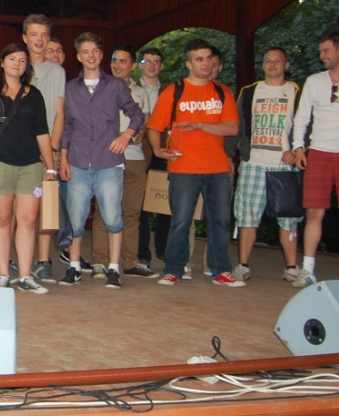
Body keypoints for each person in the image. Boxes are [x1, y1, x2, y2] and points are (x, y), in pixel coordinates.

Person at [147, 38, 243, 287]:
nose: (206, 63)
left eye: (209, 58)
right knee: (181, 221)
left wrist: (200, 125)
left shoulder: (222, 91)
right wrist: (157, 150)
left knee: (220, 222)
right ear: (189, 64)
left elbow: (232, 128)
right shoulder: (174, 91)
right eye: (199, 59)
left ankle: (221, 270)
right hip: (184, 169)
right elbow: (155, 127)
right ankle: (174, 270)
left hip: (218, 169)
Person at [58, 33, 144, 290]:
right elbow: (67, 126)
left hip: (109, 161)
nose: (91, 56)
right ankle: (74, 267)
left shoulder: (116, 86)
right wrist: (63, 158)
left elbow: (136, 114)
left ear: (101, 55)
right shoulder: (70, 88)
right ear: (78, 57)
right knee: (76, 219)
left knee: (113, 218)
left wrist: (126, 135)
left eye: (95, 51)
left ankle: (114, 269)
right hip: (77, 161)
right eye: (85, 51)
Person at [0, 43, 55, 293]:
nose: (18, 64)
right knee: (2, 219)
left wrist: (50, 169)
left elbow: (42, 133)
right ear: (2, 63)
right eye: (13, 59)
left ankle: (25, 276)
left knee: (28, 221)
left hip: (30, 167)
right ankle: (4, 274)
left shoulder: (34, 95)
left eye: (22, 60)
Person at [289, 30, 339, 286]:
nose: (322, 56)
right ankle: (308, 270)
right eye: (321, 51)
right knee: (313, 213)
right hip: (318, 153)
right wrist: (298, 147)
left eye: (326, 50)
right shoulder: (314, 81)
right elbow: (301, 116)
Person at [232, 47, 302, 282]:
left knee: (289, 218)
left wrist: (298, 150)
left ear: (286, 65)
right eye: (268, 61)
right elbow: (238, 126)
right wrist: (231, 156)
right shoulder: (249, 92)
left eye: (278, 61)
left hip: (284, 165)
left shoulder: (297, 91)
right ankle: (243, 265)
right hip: (254, 163)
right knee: (246, 216)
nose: (272, 65)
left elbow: (307, 125)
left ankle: (291, 267)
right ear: (262, 65)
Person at [89, 46, 157, 279]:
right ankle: (99, 262)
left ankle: (129, 262)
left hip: (135, 159)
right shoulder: (98, 88)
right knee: (103, 213)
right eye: (114, 60)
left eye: (123, 61)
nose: (117, 65)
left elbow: (145, 122)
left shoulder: (140, 92)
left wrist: (141, 134)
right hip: (107, 158)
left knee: (132, 213)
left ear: (133, 66)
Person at [22, 14, 68, 282]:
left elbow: (60, 113)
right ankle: (15, 261)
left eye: (44, 35)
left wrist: (50, 149)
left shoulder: (57, 71)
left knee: (45, 205)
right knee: (19, 209)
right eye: (34, 34)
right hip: (19, 151)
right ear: (25, 37)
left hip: (47, 151)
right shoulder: (16, 65)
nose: (39, 40)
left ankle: (43, 260)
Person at [137, 47, 169, 266]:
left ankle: (164, 250)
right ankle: (142, 254)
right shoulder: (130, 88)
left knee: (165, 202)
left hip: (162, 150)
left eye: (156, 61)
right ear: (139, 65)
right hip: (138, 151)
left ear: (162, 65)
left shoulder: (170, 91)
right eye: (147, 61)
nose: (152, 65)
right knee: (139, 204)